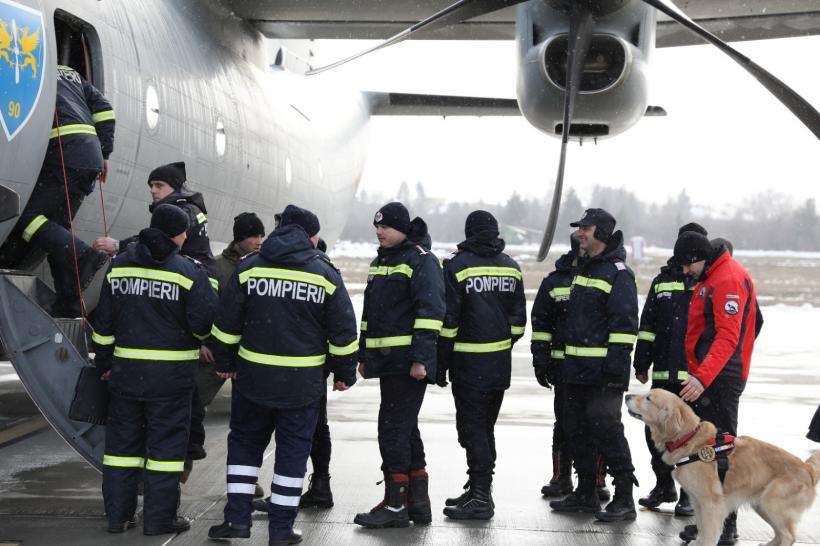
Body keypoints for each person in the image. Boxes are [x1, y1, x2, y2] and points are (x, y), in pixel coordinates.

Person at [206, 205, 358, 545]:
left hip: (253, 379)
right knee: (292, 453)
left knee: (244, 446)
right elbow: (344, 333)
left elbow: (226, 325)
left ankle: (237, 521)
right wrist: (344, 373)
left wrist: (225, 361)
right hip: (302, 384)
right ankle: (281, 530)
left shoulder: (249, 268)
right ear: (310, 236)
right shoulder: (325, 274)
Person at [92, 204, 217, 535]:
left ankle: (118, 517)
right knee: (165, 451)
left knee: (121, 450)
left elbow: (103, 325)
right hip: (171, 379)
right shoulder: (187, 271)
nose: (187, 236)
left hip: (126, 375)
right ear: (176, 234)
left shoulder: (118, 266)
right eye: (184, 231)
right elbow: (204, 325)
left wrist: (105, 363)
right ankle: (159, 520)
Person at [94, 161, 217, 468]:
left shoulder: (181, 211)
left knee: (176, 405)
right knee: (180, 405)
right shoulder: (187, 208)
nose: (152, 190)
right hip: (185, 306)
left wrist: (120, 246)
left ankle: (188, 448)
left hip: (182, 304)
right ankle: (187, 450)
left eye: (158, 185)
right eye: (151, 185)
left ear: (174, 188)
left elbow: (159, 239)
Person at [353, 202, 445, 529]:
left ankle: (395, 506)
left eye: (386, 227)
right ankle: (418, 503)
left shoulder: (421, 261)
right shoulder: (383, 261)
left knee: (391, 429)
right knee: (405, 428)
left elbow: (430, 312)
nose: (379, 231)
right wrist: (363, 355)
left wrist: (421, 358)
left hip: (407, 365)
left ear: (402, 229)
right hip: (387, 363)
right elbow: (370, 315)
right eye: (376, 227)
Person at [0, 64, 114, 317]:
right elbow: (105, 110)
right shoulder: (71, 73)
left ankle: (83, 254)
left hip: (64, 152)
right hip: (90, 156)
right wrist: (104, 152)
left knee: (25, 218)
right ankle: (70, 302)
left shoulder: (27, 67)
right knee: (58, 232)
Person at [549, 208, 639, 522]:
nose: (580, 234)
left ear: (599, 232)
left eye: (585, 229)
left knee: (607, 431)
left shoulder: (618, 273)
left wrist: (615, 372)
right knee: (575, 431)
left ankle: (625, 497)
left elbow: (625, 326)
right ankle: (585, 493)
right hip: (574, 372)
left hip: (603, 375)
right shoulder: (584, 269)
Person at [437, 211, 526, 520]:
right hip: (499, 365)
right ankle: (478, 489)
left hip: (468, 364)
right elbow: (518, 323)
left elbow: (449, 322)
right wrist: (498, 344)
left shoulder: (457, 266)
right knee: (484, 429)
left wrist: (442, 361)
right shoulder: (512, 267)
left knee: (472, 430)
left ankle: (480, 497)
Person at [674, 231, 758, 545]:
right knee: (704, 453)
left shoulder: (728, 279)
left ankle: (726, 524)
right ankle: (710, 520)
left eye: (686, 265)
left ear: (699, 256)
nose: (684, 272)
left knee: (721, 452)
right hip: (710, 376)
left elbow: (727, 337)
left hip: (720, 379)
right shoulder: (711, 276)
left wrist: (703, 377)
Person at [633, 222, 708, 517]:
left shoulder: (707, 281)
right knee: (655, 434)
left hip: (695, 379)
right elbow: (648, 324)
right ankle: (664, 484)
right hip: (664, 374)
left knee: (690, 437)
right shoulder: (662, 281)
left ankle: (689, 493)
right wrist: (642, 362)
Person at [533, 232, 614, 501]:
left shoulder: (604, 276)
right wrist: (541, 360)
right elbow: (541, 323)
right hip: (563, 368)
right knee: (565, 424)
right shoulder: (555, 282)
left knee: (598, 424)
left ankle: (596, 479)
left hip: (595, 368)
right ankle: (561, 476)